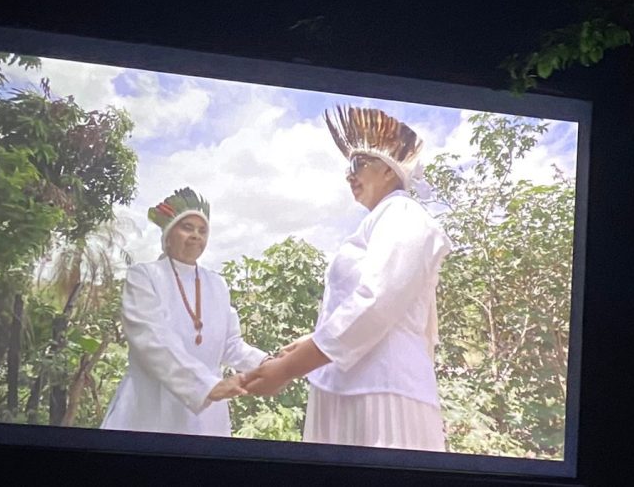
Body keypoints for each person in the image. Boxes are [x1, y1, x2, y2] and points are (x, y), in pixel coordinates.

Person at [244, 106, 452, 451]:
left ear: (388, 170)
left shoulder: (403, 213)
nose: (349, 176)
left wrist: (288, 369)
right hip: (350, 385)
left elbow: (377, 302)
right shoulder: (378, 221)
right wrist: (314, 339)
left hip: (381, 389)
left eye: (358, 165)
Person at [101, 187, 269, 436]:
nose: (196, 236)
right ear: (168, 235)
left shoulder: (217, 284)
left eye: (202, 231)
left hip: (208, 412)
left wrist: (267, 363)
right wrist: (205, 387)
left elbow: (230, 344)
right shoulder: (144, 276)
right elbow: (151, 341)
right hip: (151, 407)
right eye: (187, 228)